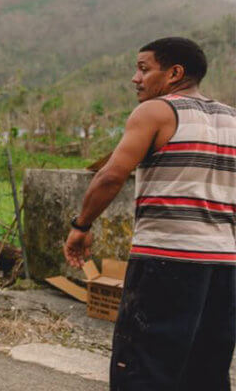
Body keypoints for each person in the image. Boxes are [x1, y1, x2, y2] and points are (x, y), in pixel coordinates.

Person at [63, 37, 235, 389]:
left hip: (167, 262)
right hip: (224, 267)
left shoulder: (157, 111)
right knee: (205, 372)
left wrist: (81, 225)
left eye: (144, 68)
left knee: (143, 370)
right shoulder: (231, 118)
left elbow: (111, 175)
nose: (135, 78)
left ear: (174, 73)